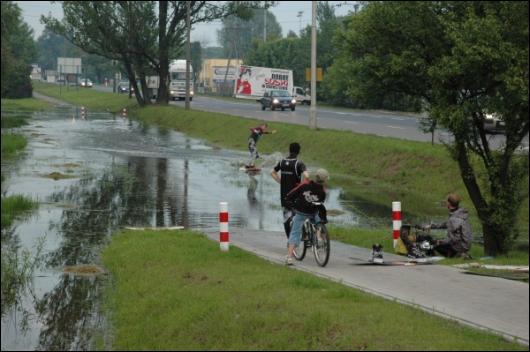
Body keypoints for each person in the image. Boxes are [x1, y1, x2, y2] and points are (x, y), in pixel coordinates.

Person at [284, 168, 329, 265]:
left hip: (301, 212)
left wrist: (290, 203)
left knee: (295, 233)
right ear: (325, 180)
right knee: (319, 222)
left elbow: (291, 194)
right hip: (314, 212)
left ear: (315, 177)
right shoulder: (323, 192)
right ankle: (319, 239)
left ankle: (289, 257)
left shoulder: (305, 185)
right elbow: (321, 202)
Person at [270, 142, 309, 240]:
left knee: (286, 218)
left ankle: (289, 240)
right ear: (298, 151)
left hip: (284, 197)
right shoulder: (299, 163)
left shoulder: (282, 162)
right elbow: (306, 175)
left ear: (289, 150)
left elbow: (272, 172)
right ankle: (304, 235)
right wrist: (303, 185)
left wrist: (280, 181)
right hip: (296, 197)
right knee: (301, 215)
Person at [423, 193, 472, 258]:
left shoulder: (454, 219)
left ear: (449, 204)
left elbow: (455, 239)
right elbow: (446, 224)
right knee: (439, 243)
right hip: (465, 244)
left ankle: (457, 255)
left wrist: (441, 242)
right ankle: (456, 254)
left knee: (433, 246)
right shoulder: (459, 213)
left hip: (460, 246)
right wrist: (432, 226)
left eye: (446, 202)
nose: (446, 203)